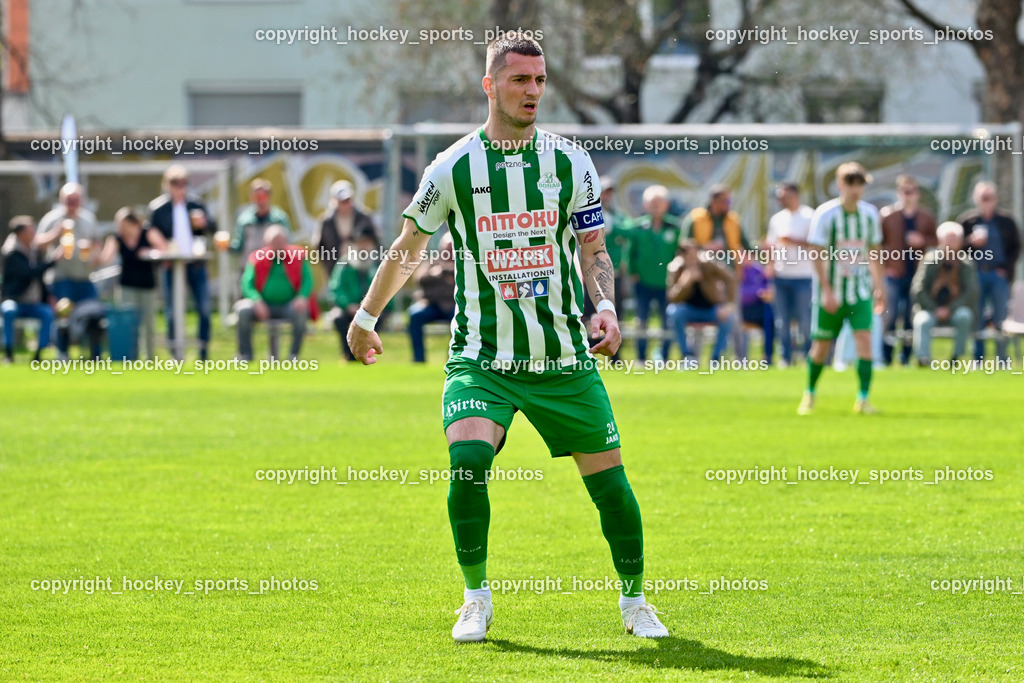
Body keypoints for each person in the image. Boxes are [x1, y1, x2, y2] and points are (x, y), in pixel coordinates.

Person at [346, 34, 668, 642]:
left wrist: (605, 307)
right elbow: (409, 249)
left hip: (562, 355)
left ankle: (634, 601)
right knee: (467, 462)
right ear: (490, 85)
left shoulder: (571, 162)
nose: (533, 92)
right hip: (481, 354)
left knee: (612, 489)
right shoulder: (452, 168)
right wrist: (366, 318)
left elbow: (594, 248)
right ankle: (475, 598)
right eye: (520, 80)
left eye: (540, 81)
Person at [799, 162, 885, 416]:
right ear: (840, 185)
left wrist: (879, 287)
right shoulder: (826, 214)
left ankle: (863, 398)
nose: (855, 189)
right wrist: (825, 290)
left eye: (859, 184)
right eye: (851, 183)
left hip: (859, 291)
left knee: (865, 340)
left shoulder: (869, 215)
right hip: (832, 293)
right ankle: (809, 394)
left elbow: (874, 252)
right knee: (822, 345)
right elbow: (816, 253)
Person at [148, 165, 216, 361]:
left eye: (183, 183)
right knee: (173, 311)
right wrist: (163, 251)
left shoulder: (196, 205)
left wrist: (204, 224)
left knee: (204, 308)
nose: (180, 187)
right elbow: (149, 232)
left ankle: (203, 353)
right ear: (167, 185)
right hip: (171, 265)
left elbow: (213, 227)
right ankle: (175, 354)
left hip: (195, 263)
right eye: (175, 183)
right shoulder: (158, 208)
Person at [957, 181, 1021, 361]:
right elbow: (958, 249)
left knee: (1000, 317)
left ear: (995, 199)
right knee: (977, 316)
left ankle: (1002, 358)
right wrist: (971, 242)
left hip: (998, 274)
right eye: (983, 198)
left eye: (990, 198)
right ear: (976, 199)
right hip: (975, 275)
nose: (987, 201)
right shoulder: (967, 221)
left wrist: (1005, 270)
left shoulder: (1006, 221)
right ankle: (978, 358)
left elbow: (1016, 247)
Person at [880, 174, 937, 366]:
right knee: (890, 315)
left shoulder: (926, 216)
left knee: (911, 318)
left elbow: (936, 241)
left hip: (917, 274)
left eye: (911, 191)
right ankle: (885, 355)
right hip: (894, 273)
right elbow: (877, 245)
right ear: (899, 192)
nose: (908, 195)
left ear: (917, 194)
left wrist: (922, 240)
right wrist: (886, 266)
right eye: (905, 191)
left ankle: (906, 355)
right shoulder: (888, 216)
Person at [235, 225, 314, 361]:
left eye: (281, 242)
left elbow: (308, 280)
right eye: (274, 242)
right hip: (263, 305)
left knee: (301, 311)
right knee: (242, 309)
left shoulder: (298, 257)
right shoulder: (257, 258)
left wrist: (301, 297)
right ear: (267, 244)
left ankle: (293, 356)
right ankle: (246, 355)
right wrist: (257, 301)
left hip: (289, 305)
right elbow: (246, 284)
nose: (278, 246)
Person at [98, 208, 168, 360]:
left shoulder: (148, 232)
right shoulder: (117, 238)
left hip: (147, 285)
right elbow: (105, 259)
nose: (120, 228)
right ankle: (130, 357)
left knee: (149, 324)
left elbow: (164, 249)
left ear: (133, 223)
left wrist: (149, 252)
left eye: (122, 225)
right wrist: (95, 250)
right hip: (127, 285)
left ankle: (150, 358)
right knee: (128, 323)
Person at [911, 222, 979, 365]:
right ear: (940, 241)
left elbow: (971, 293)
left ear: (960, 242)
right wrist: (934, 309)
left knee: (964, 316)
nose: (950, 244)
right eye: (947, 240)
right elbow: (918, 289)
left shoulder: (965, 264)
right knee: (922, 320)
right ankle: (923, 359)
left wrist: (950, 309)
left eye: (954, 240)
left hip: (955, 309)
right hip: (931, 309)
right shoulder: (929, 261)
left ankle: (956, 357)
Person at [628, 185, 680, 361]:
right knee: (641, 320)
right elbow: (630, 254)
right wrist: (633, 272)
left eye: (659, 202)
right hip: (643, 282)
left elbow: (679, 254)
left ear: (666, 204)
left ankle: (664, 357)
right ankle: (641, 358)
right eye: (652, 202)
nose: (655, 206)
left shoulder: (675, 226)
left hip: (667, 283)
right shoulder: (638, 227)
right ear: (645, 204)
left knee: (668, 321)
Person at [766, 183, 814, 366]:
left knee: (805, 319)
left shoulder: (809, 216)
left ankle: (809, 356)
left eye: (783, 196)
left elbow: (817, 246)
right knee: (782, 320)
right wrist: (770, 266)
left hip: (803, 276)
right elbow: (772, 245)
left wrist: (793, 241)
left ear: (794, 195)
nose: (779, 200)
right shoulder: (777, 219)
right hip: (781, 276)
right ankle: (785, 357)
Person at [666, 239, 737, 361]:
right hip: (688, 310)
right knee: (673, 312)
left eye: (695, 254)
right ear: (683, 256)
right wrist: (685, 282)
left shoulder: (708, 264)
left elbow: (731, 278)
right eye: (690, 255)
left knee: (729, 318)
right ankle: (687, 355)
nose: (694, 258)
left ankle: (716, 357)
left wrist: (728, 305)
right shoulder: (675, 268)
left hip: (710, 309)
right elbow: (672, 298)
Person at [1, 216, 55, 363]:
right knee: (8, 311)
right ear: (21, 233)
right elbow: (29, 272)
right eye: (30, 229)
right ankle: (9, 353)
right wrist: (52, 261)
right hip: (15, 300)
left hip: (33, 303)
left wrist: (48, 295)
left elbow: (39, 277)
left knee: (47, 313)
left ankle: (38, 355)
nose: (34, 232)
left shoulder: (33, 250)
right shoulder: (12, 252)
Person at [329, 230, 386, 361]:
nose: (363, 246)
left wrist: (370, 308)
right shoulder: (345, 263)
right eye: (360, 242)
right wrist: (348, 305)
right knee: (339, 318)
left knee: (377, 320)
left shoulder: (379, 264)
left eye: (366, 242)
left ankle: (368, 354)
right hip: (348, 308)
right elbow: (335, 288)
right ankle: (348, 355)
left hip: (374, 309)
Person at [312, 180, 379, 278]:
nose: (347, 204)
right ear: (335, 201)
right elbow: (319, 246)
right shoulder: (326, 222)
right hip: (335, 268)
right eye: (343, 201)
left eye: (348, 200)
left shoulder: (364, 217)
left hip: (363, 269)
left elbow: (376, 241)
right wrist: (329, 262)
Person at [408, 233, 456, 363]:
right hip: (432, 304)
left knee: (459, 319)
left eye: (452, 249)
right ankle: (419, 359)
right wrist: (441, 274)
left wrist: (447, 273)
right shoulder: (433, 261)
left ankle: (453, 358)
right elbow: (420, 279)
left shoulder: (462, 263)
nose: (449, 252)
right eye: (447, 249)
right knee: (415, 314)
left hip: (454, 306)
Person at [682, 184, 752, 270]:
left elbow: (747, 246)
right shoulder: (695, 218)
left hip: (730, 269)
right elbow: (684, 245)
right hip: (703, 269)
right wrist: (704, 247)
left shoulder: (733, 220)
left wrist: (763, 248)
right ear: (715, 201)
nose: (729, 204)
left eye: (729, 201)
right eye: (726, 201)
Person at [231, 178, 292, 270]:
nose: (260, 201)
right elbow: (239, 246)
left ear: (269, 197)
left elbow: (287, 245)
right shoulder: (244, 220)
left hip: (272, 270)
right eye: (256, 197)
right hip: (250, 268)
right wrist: (227, 246)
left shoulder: (279, 219)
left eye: (263, 196)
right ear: (251, 198)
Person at [739, 258, 775, 364]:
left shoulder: (759, 271)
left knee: (770, 317)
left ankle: (767, 357)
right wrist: (756, 292)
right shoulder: (737, 271)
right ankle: (741, 359)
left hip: (759, 309)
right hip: (742, 309)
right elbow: (740, 293)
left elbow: (768, 290)